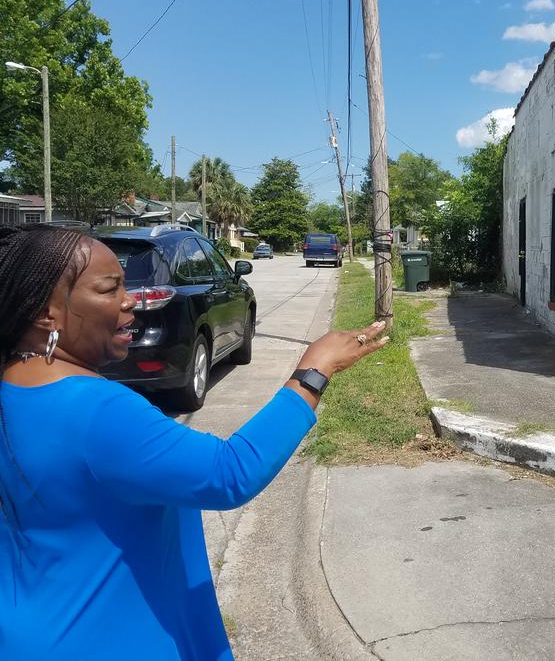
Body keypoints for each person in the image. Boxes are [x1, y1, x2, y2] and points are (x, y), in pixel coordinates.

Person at [0, 224, 387, 659]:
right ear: (44, 314)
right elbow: (228, 473)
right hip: (108, 639)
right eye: (110, 290)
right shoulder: (97, 411)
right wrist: (313, 372)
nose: (130, 300)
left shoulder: (14, 392)